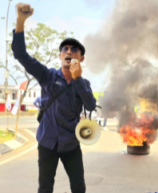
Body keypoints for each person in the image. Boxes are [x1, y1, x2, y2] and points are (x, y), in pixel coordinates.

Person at [12, 3, 96, 193]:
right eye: (65, 48)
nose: (69, 51)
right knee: (45, 188)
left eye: (74, 49)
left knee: (79, 187)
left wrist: (78, 79)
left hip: (71, 144)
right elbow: (21, 55)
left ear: (81, 58)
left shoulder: (84, 83)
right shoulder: (47, 76)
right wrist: (20, 22)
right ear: (59, 55)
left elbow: (90, 105)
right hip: (47, 142)